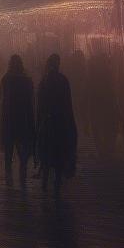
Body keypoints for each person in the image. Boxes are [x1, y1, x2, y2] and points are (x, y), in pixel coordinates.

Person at [36, 54, 77, 199]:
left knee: (47, 153)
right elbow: (67, 104)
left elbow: (39, 106)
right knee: (59, 154)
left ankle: (44, 184)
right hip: (60, 122)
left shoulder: (44, 82)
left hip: (47, 123)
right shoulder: (63, 80)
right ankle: (57, 184)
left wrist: (38, 122)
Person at [0, 54, 35, 188]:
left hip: (8, 119)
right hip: (23, 119)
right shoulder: (27, 81)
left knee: (8, 152)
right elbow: (31, 102)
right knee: (22, 153)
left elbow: (0, 101)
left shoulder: (5, 80)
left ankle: (9, 180)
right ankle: (22, 179)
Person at [86, 50, 119, 160]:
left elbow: (89, 90)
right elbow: (112, 89)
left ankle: (102, 150)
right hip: (106, 105)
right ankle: (108, 150)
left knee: (99, 128)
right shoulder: (108, 72)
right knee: (107, 127)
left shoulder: (92, 73)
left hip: (97, 105)